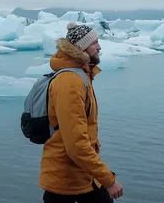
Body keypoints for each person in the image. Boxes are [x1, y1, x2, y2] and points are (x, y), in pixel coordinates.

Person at [39, 22, 124, 202]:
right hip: (67, 184)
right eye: (95, 43)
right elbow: (76, 144)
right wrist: (108, 179)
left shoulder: (81, 75)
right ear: (82, 47)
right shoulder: (69, 82)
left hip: (82, 177)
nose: (99, 47)